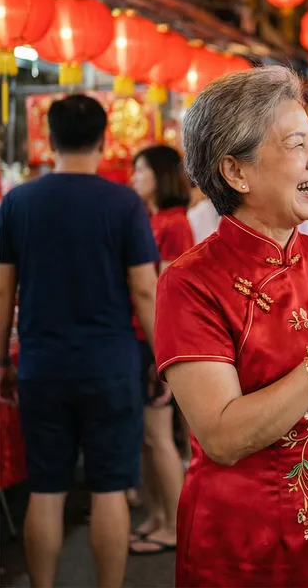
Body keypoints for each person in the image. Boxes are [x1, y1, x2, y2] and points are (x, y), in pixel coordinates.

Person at [154, 67, 308, 588]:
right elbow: (223, 437)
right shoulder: (190, 283)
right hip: (245, 553)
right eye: (297, 145)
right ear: (236, 172)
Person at [0, 95, 158, 588]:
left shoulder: (19, 201)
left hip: (41, 366)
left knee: (46, 490)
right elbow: (145, 289)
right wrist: (161, 355)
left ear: (48, 138)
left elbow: (4, 287)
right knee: (110, 489)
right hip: (111, 365)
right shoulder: (123, 203)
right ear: (103, 138)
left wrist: (1, 359)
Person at [129, 145, 194, 555]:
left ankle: (173, 524)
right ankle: (156, 516)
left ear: (161, 176)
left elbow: (166, 293)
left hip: (155, 341)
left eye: (141, 171)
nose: (134, 177)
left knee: (157, 435)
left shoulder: (174, 224)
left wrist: (162, 352)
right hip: (137, 338)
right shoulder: (150, 220)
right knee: (147, 439)